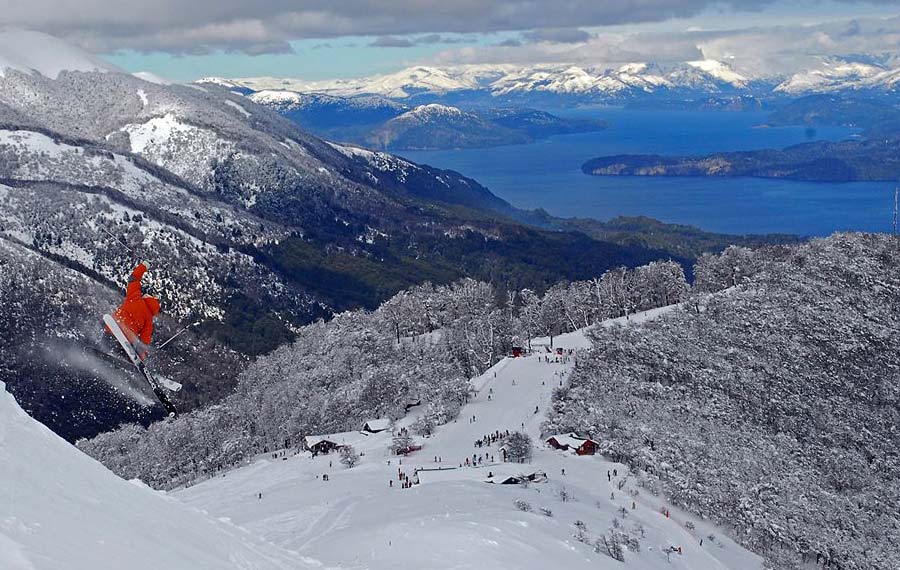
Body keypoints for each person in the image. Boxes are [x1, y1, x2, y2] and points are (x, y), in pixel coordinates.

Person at [106, 262, 160, 360]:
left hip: (114, 325)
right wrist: (142, 356)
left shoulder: (135, 296)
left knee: (106, 339)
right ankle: (123, 361)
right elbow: (145, 339)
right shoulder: (149, 319)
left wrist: (144, 266)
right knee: (123, 352)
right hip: (127, 339)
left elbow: (133, 278)